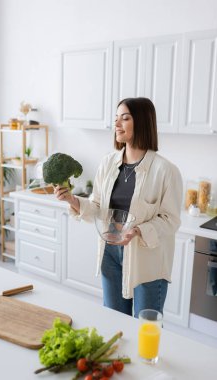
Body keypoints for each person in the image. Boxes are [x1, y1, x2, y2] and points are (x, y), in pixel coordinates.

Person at [54, 97, 183, 318]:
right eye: (116, 119)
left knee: (146, 325)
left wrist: (137, 231)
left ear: (141, 122)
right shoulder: (107, 163)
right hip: (110, 253)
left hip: (147, 259)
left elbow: (170, 220)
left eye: (125, 118)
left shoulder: (165, 170)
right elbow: (97, 207)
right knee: (114, 321)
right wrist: (72, 201)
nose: (117, 124)